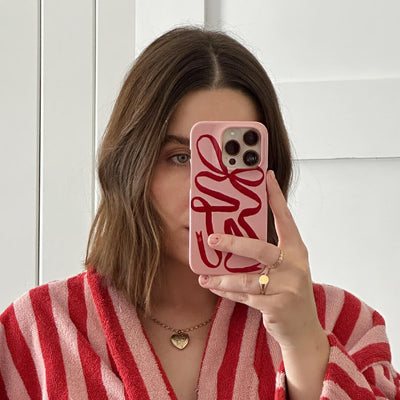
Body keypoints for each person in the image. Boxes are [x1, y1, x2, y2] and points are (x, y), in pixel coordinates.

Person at [0, 26, 399, 400]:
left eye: (235, 159)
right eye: (178, 157)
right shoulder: (35, 332)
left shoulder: (348, 326)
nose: (202, 193)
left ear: (269, 170)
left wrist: (305, 345)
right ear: (129, 164)